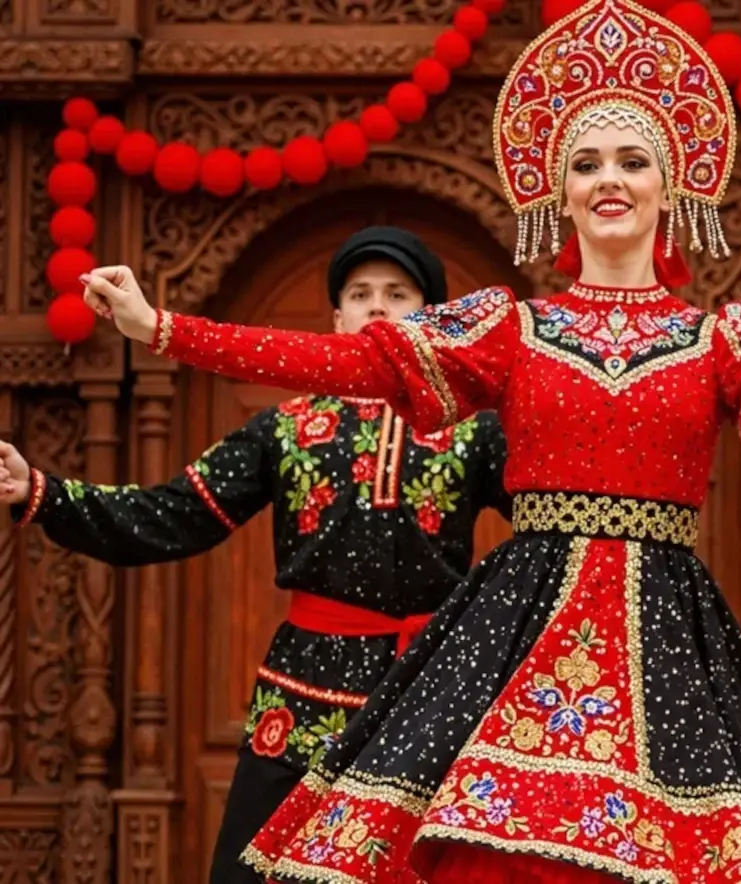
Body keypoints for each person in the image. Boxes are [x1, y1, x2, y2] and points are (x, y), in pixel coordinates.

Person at [73, 0, 741, 879]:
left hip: (665, 631)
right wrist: (163, 328)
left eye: (633, 161)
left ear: (670, 186)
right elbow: (347, 361)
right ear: (559, 192)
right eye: (586, 163)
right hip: (525, 618)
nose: (609, 180)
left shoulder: (719, 337)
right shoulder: (511, 328)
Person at [0, 226, 506, 884]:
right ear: (337, 318)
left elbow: (550, 521)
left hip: (425, 688)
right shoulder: (285, 429)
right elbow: (172, 515)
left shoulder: (474, 431)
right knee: (252, 871)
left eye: (397, 293)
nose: (377, 307)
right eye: (360, 294)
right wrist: (40, 492)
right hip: (300, 692)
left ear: (428, 318)